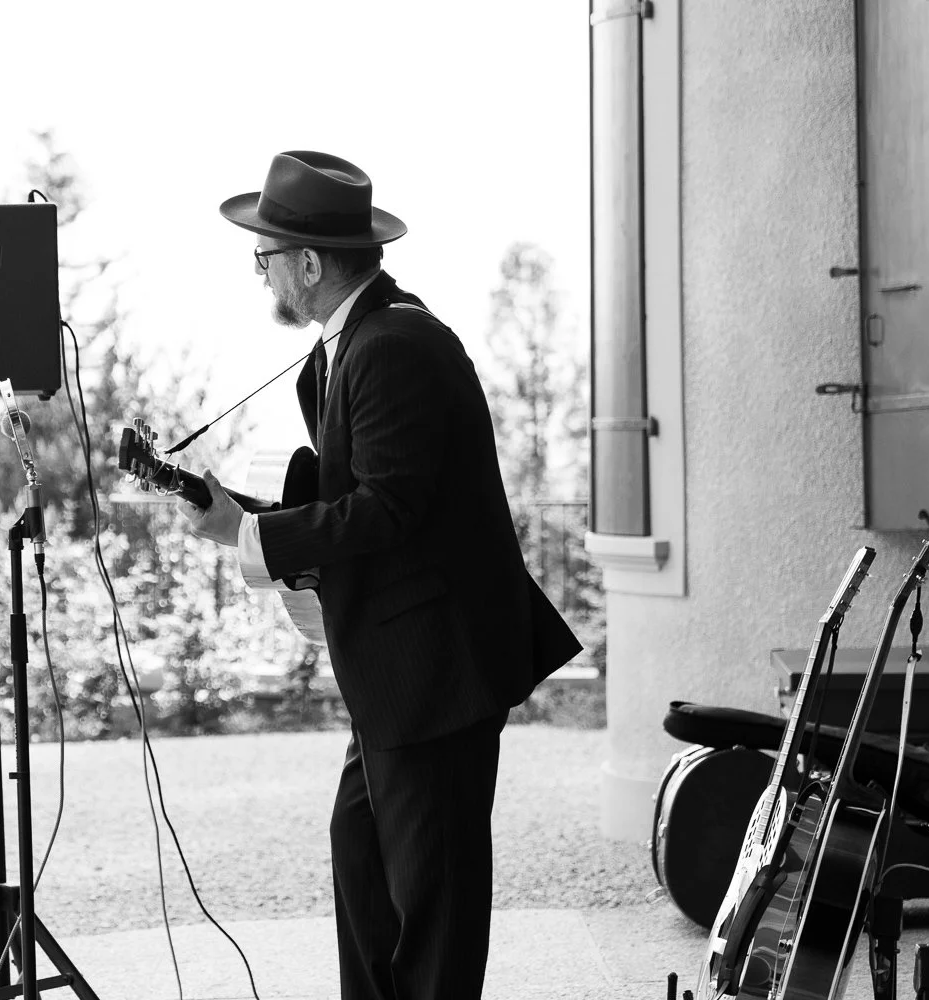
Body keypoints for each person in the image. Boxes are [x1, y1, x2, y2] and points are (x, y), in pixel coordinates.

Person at [179, 150, 583, 1000]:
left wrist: (250, 535)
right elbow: (356, 501)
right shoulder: (348, 347)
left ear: (310, 265)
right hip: (397, 676)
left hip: (436, 673)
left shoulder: (394, 345)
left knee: (433, 908)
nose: (259, 275)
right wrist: (239, 516)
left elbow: (388, 509)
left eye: (264, 258)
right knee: (363, 866)